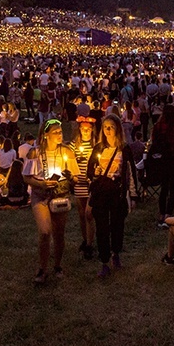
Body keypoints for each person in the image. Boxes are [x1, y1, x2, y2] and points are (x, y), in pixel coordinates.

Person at [22, 118, 79, 283]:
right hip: (41, 194)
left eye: (60, 132)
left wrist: (70, 177)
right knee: (45, 232)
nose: (59, 135)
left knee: (59, 233)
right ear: (46, 135)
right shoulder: (35, 152)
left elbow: (75, 178)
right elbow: (26, 177)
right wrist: (41, 183)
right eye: (55, 132)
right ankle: (42, 269)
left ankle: (58, 265)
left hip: (60, 195)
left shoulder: (67, 151)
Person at [87, 114, 138, 277]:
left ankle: (116, 252)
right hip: (101, 191)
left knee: (117, 225)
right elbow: (90, 172)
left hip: (117, 192)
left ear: (117, 129)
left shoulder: (124, 149)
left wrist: (133, 194)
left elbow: (130, 172)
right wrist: (95, 173)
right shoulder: (98, 148)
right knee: (102, 227)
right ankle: (104, 261)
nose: (108, 130)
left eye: (111, 127)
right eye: (105, 127)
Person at [149, 104, 174, 224]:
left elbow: (153, 142)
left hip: (161, 161)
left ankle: (161, 213)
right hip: (172, 161)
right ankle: (168, 213)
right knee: (173, 188)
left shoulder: (157, 127)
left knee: (164, 189)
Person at [70, 115, 97, 260]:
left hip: (90, 184)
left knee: (89, 214)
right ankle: (85, 238)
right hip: (78, 182)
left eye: (88, 129)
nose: (86, 132)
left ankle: (90, 244)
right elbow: (69, 160)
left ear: (92, 130)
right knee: (81, 214)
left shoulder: (95, 145)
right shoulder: (74, 145)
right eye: (83, 129)